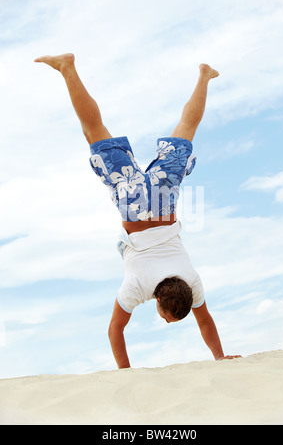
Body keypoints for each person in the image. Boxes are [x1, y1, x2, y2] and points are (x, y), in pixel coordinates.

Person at [34, 53, 241, 368]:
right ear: (158, 301)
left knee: (186, 130)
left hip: (163, 200)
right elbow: (115, 330)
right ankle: (67, 68)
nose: (167, 321)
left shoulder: (192, 282)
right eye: (168, 318)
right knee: (94, 131)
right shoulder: (137, 286)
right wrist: (126, 373)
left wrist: (220, 356)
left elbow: (205, 322)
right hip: (133, 208)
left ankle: (204, 75)